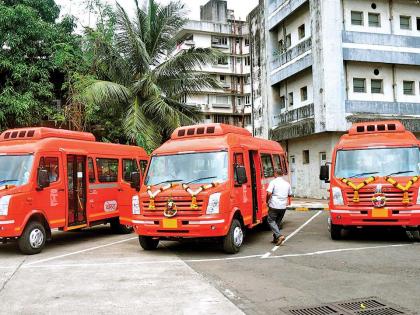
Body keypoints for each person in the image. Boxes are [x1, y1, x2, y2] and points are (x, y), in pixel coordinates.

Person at [266, 171, 292, 245]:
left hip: (274, 205)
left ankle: (279, 236)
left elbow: (269, 193)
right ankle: (276, 239)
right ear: (282, 175)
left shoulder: (273, 182)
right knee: (277, 222)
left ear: (275, 174)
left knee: (270, 220)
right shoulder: (287, 184)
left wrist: (267, 201)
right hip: (283, 206)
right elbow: (290, 194)